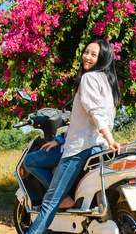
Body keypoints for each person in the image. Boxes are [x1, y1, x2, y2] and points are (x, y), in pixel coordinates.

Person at [26, 37, 122, 234]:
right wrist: (59, 139)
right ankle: (66, 199)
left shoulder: (88, 78)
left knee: (50, 201)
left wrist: (110, 138)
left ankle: (61, 200)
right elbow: (85, 119)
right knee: (30, 161)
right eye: (86, 52)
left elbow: (95, 114)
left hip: (79, 149)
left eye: (93, 54)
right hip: (95, 146)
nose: (87, 57)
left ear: (103, 58)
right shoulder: (109, 82)